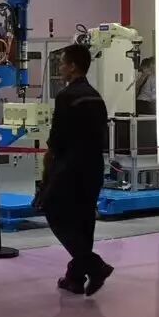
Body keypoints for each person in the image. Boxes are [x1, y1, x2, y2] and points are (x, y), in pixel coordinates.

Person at [39, 43, 112, 296]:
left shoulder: (66, 97)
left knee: (53, 210)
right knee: (84, 220)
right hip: (94, 166)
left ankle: (94, 265)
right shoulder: (96, 96)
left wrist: (49, 165)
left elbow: (58, 138)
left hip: (69, 167)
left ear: (72, 66)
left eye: (62, 63)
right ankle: (75, 277)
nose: (60, 68)